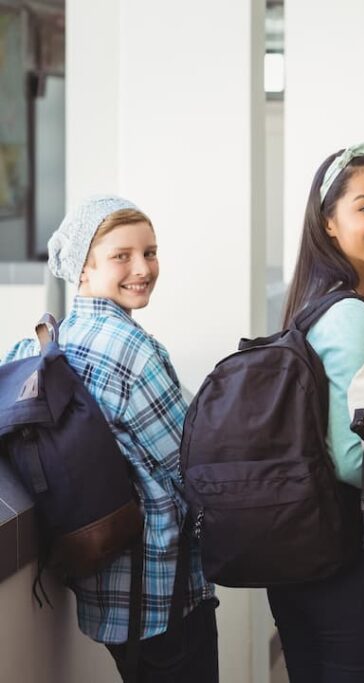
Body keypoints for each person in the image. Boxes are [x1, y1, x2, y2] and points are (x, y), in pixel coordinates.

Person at [4, 196, 218, 682]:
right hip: (163, 590)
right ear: (83, 267)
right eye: (122, 255)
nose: (142, 267)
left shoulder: (42, 344)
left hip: (100, 585)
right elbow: (190, 463)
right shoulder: (133, 350)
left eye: (150, 251)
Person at [266, 144, 364, 682]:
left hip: (297, 553)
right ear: (329, 223)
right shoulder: (351, 314)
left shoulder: (308, 303)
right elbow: (351, 460)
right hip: (350, 558)